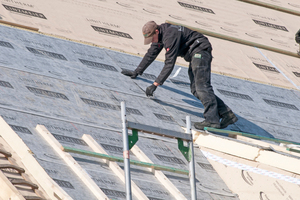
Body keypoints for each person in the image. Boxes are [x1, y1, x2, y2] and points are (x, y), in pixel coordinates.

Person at [121, 21, 238, 130]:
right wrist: (137, 71)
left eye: (152, 38)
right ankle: (227, 114)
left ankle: (212, 120)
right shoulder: (160, 35)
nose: (152, 41)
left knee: (202, 86)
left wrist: (155, 84)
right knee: (195, 90)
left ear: (156, 31)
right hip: (195, 53)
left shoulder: (170, 35)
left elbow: (169, 63)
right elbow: (151, 54)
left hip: (200, 51)